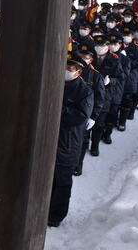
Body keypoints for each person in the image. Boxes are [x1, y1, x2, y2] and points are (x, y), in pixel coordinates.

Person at [48, 53, 93, 228]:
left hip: (68, 142)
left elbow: (81, 116)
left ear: (79, 72)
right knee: (48, 179)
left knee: (62, 181)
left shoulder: (84, 91)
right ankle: (45, 207)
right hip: (50, 138)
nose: (66, 71)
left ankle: (56, 214)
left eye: (70, 69)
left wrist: (59, 108)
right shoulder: (55, 83)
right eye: (65, 67)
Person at [74, 45, 105, 176]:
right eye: (80, 57)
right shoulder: (71, 70)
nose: (81, 60)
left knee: (82, 140)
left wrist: (93, 117)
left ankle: (78, 165)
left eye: (85, 58)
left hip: (85, 114)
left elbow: (99, 99)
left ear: (91, 60)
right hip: (70, 110)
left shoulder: (95, 76)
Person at [90, 35, 123, 156]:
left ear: (107, 47)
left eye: (102, 45)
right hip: (90, 93)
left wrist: (111, 81)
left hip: (105, 95)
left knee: (99, 123)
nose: (99, 48)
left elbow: (121, 78)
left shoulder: (114, 60)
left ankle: (94, 146)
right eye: (97, 45)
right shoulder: (91, 57)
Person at [117, 27, 138, 131]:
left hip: (130, 77)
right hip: (119, 77)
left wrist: (126, 61)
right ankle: (114, 120)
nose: (125, 37)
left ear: (132, 36)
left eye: (128, 35)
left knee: (126, 100)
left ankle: (122, 122)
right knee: (116, 100)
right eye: (124, 35)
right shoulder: (118, 46)